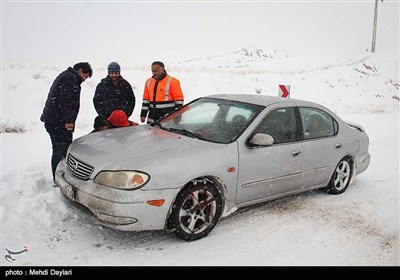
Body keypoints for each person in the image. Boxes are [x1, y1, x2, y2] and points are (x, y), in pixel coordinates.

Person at [40, 62, 93, 181]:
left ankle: (56, 178)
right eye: (85, 76)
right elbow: (66, 101)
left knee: (57, 151)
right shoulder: (70, 79)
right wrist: (69, 120)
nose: (84, 79)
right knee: (64, 153)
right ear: (79, 70)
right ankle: (62, 179)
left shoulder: (66, 76)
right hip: (59, 123)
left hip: (53, 120)